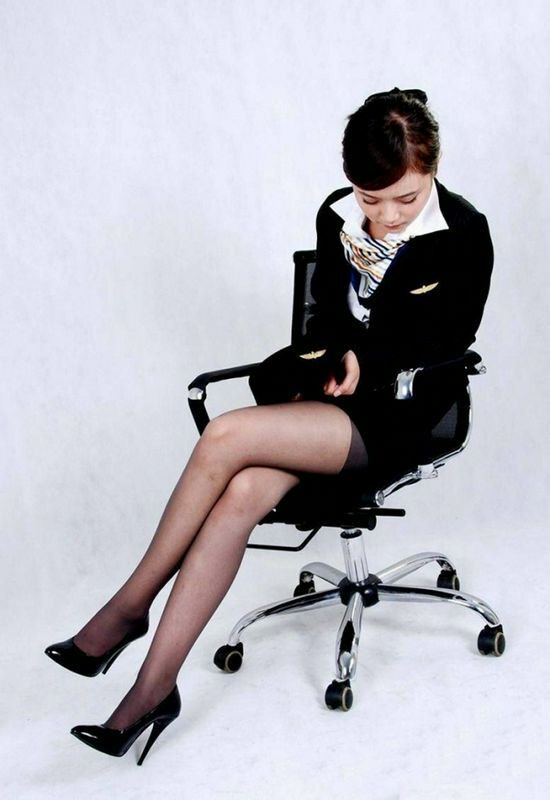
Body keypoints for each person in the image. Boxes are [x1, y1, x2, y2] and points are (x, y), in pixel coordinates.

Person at [44, 87, 493, 764]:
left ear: (432, 169)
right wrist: (333, 355)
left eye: (405, 198)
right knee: (244, 490)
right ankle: (152, 690)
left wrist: (365, 361)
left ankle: (128, 608)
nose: (386, 216)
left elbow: (447, 339)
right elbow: (327, 317)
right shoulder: (337, 214)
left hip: (404, 411)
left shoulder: (465, 232)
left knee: (225, 435)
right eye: (371, 199)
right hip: (332, 401)